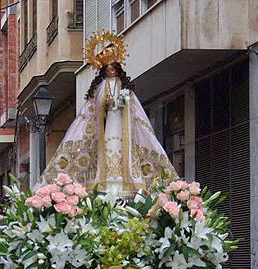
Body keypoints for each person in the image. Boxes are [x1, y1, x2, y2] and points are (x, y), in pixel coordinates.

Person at [38, 32, 176, 197]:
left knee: (122, 145)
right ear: (104, 70)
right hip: (107, 123)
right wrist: (107, 104)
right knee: (107, 144)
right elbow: (95, 106)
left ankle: (125, 175)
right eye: (108, 69)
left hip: (122, 123)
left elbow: (135, 110)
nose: (111, 71)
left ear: (118, 70)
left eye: (113, 69)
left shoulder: (125, 88)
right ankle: (105, 176)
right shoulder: (100, 86)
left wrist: (122, 102)